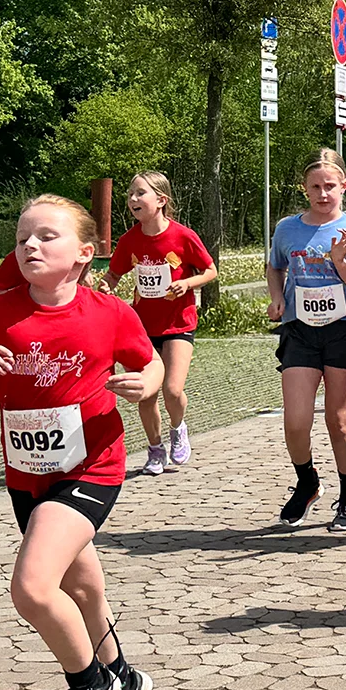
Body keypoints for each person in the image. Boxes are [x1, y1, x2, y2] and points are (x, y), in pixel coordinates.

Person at [0, 195, 163, 690]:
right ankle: (125, 677)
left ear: (85, 253)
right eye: (22, 239)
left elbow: (150, 362)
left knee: (34, 588)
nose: (30, 246)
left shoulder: (109, 313)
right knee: (82, 589)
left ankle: (90, 689)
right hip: (28, 476)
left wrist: (148, 382)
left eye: (46, 236)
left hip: (94, 467)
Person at [266, 149, 346, 531]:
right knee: (296, 421)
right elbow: (275, 266)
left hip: (344, 329)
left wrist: (341, 263)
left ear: (344, 186)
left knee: (338, 420)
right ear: (304, 189)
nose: (323, 194)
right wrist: (277, 297)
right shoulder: (287, 228)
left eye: (330, 186)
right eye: (315, 187)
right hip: (299, 330)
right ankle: (307, 482)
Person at [103, 172, 216, 476]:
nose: (133, 199)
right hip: (142, 327)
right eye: (130, 194)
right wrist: (106, 286)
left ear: (161, 200)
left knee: (173, 390)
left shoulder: (183, 236)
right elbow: (114, 274)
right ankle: (155, 449)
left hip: (178, 323)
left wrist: (187, 283)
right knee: (146, 393)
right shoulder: (129, 240)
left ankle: (178, 428)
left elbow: (210, 270)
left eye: (140, 193)